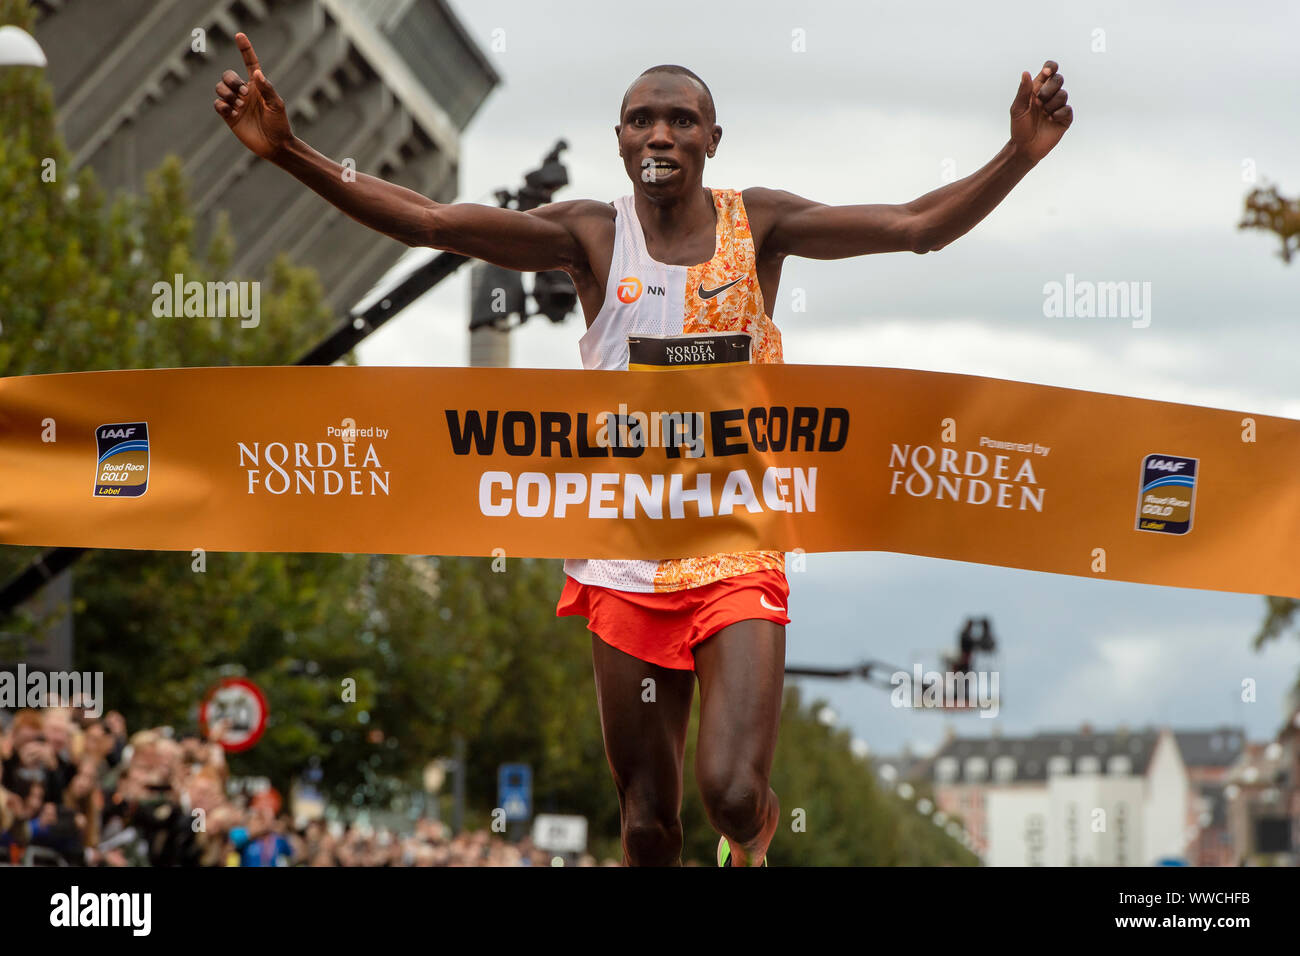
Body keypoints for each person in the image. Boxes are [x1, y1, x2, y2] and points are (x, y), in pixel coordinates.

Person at [212, 34, 1072, 866]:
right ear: (619, 141)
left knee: (732, 795)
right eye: (641, 120)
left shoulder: (758, 224)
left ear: (712, 139)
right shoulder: (591, 235)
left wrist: (1018, 155)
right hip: (624, 563)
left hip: (736, 551)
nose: (661, 133)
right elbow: (435, 223)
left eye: (682, 119)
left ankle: (755, 836)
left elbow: (916, 225)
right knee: (649, 831)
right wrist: (291, 151)